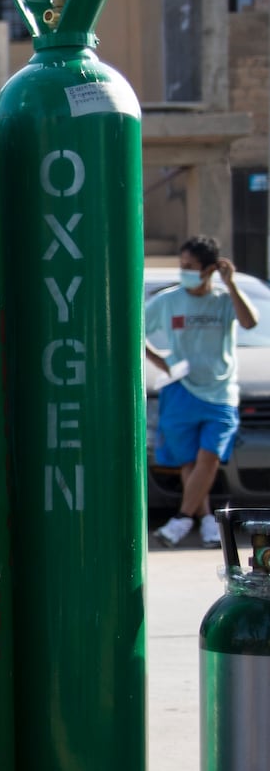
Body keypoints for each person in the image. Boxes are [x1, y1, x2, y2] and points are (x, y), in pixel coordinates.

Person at [146, 235, 259, 548]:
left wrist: (232, 284)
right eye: (181, 265)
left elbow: (250, 322)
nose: (184, 271)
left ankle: (183, 517)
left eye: (191, 266)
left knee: (209, 457)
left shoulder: (223, 300)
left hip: (220, 393)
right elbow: (135, 328)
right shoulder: (168, 301)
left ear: (210, 269)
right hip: (182, 390)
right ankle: (207, 519)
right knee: (190, 463)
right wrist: (163, 362)